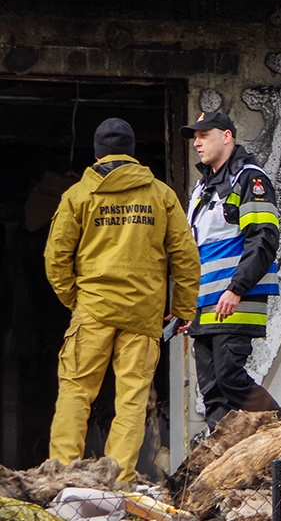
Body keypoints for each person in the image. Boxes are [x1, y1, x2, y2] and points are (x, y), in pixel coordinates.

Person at [45, 117, 200, 484]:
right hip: (143, 314)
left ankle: (62, 476)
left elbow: (56, 258)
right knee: (131, 398)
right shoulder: (160, 195)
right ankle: (117, 479)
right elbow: (185, 256)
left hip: (94, 310)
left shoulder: (78, 196)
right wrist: (182, 309)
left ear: (97, 152)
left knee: (76, 392)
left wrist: (78, 301)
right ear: (132, 151)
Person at [180, 111, 281, 431]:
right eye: (194, 138)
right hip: (204, 303)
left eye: (204, 135)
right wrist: (183, 301)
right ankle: (222, 457)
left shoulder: (249, 179)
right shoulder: (202, 189)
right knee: (212, 391)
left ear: (226, 136)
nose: (197, 143)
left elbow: (265, 240)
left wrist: (237, 288)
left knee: (230, 378)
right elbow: (194, 250)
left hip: (233, 302)